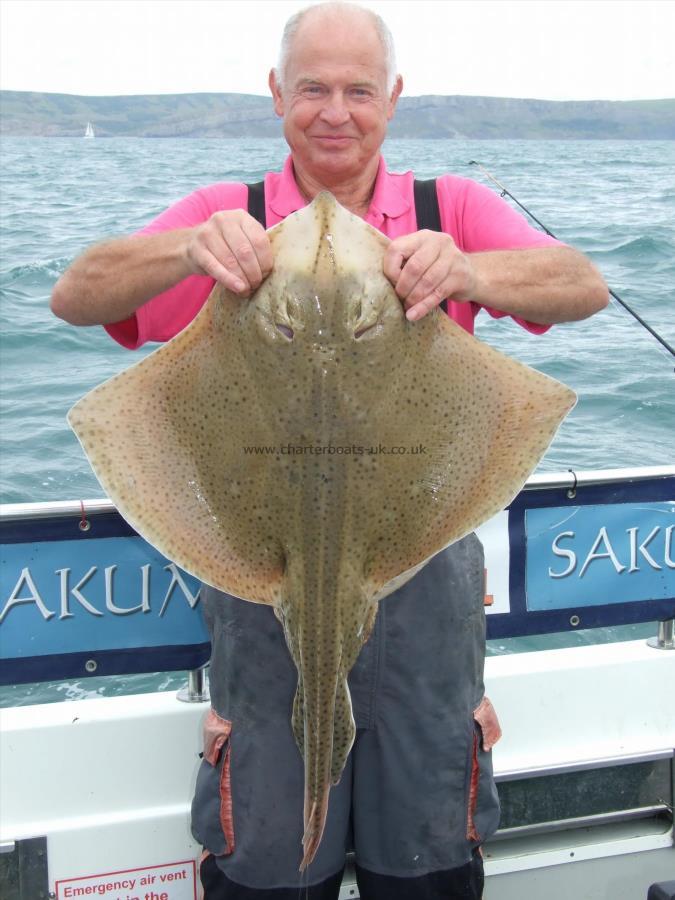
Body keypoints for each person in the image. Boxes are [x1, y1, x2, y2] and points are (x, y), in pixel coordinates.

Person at [51, 3, 608, 898]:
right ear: (277, 95)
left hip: (421, 582)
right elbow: (77, 295)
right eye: (312, 88)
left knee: (424, 862)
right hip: (261, 580)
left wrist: (466, 270)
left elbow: (581, 284)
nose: (335, 111)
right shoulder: (224, 214)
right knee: (271, 864)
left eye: (357, 89)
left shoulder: (445, 208)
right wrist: (187, 252)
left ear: (392, 96)